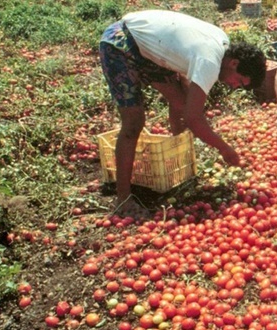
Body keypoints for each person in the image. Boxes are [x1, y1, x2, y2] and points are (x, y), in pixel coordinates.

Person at [99, 9, 266, 215]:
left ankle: (180, 164)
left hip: (148, 49)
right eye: (239, 81)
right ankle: (123, 199)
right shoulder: (210, 61)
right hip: (121, 43)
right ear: (234, 63)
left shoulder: (222, 44)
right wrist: (224, 149)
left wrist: (184, 126)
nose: (234, 86)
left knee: (180, 101)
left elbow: (185, 98)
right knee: (134, 122)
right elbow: (193, 118)